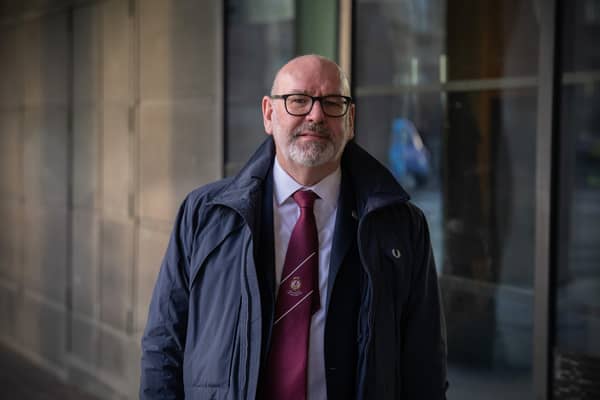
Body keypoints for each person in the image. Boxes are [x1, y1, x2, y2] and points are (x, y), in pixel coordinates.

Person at [140, 54, 447, 399]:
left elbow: (425, 362)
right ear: (269, 114)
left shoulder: (402, 226)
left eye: (332, 103)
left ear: (350, 120)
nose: (316, 115)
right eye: (298, 100)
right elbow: (164, 344)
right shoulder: (204, 215)